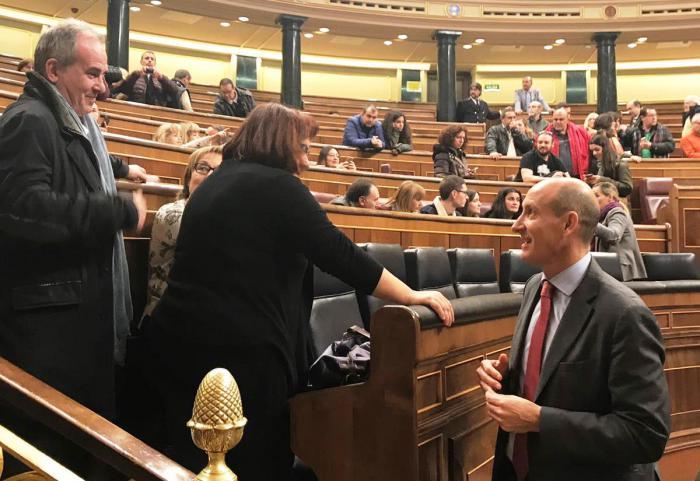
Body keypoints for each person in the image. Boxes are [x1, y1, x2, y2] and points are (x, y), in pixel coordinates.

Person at [143, 103, 454, 481]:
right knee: (255, 462)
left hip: (185, 349)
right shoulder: (277, 187)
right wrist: (409, 295)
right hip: (243, 357)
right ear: (279, 143)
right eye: (303, 149)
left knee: (200, 460)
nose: (307, 162)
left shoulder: (218, 182)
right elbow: (339, 254)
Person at [0, 20, 148, 477]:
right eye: (92, 74)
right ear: (52, 69)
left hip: (71, 326)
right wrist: (116, 211)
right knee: (49, 459)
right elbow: (23, 210)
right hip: (46, 339)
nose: (103, 86)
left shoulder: (70, 123)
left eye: (104, 75)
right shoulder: (30, 120)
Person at [477, 177, 669, 481]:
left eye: (531, 213)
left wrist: (540, 420)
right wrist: (507, 379)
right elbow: (552, 382)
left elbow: (644, 434)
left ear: (568, 224)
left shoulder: (625, 314)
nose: (517, 225)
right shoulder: (533, 288)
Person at [143, 145, 223, 319]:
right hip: (167, 316)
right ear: (188, 177)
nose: (210, 175)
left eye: (220, 171)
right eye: (202, 168)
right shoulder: (172, 213)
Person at [593, 182, 647, 281]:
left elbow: (614, 235)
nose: (593, 200)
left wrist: (591, 223)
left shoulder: (617, 212)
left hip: (621, 268)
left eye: (596, 196)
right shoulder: (603, 215)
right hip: (612, 266)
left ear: (610, 197)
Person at [113, 50, 179, 107]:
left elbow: (175, 91)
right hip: (136, 110)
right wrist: (136, 75)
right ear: (141, 62)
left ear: (155, 63)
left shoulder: (161, 79)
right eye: (147, 58)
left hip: (157, 112)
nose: (150, 60)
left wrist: (161, 78)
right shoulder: (135, 76)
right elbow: (123, 89)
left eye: (152, 59)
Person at [544, 107, 591, 179]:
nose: (558, 122)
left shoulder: (580, 132)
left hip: (576, 176)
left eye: (561, 119)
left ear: (567, 120)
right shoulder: (545, 135)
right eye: (555, 119)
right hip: (554, 177)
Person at [585, 133, 633, 199]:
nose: (594, 153)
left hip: (617, 202)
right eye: (592, 150)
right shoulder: (594, 164)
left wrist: (602, 180)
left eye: (597, 149)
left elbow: (627, 188)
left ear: (606, 149)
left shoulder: (620, 164)